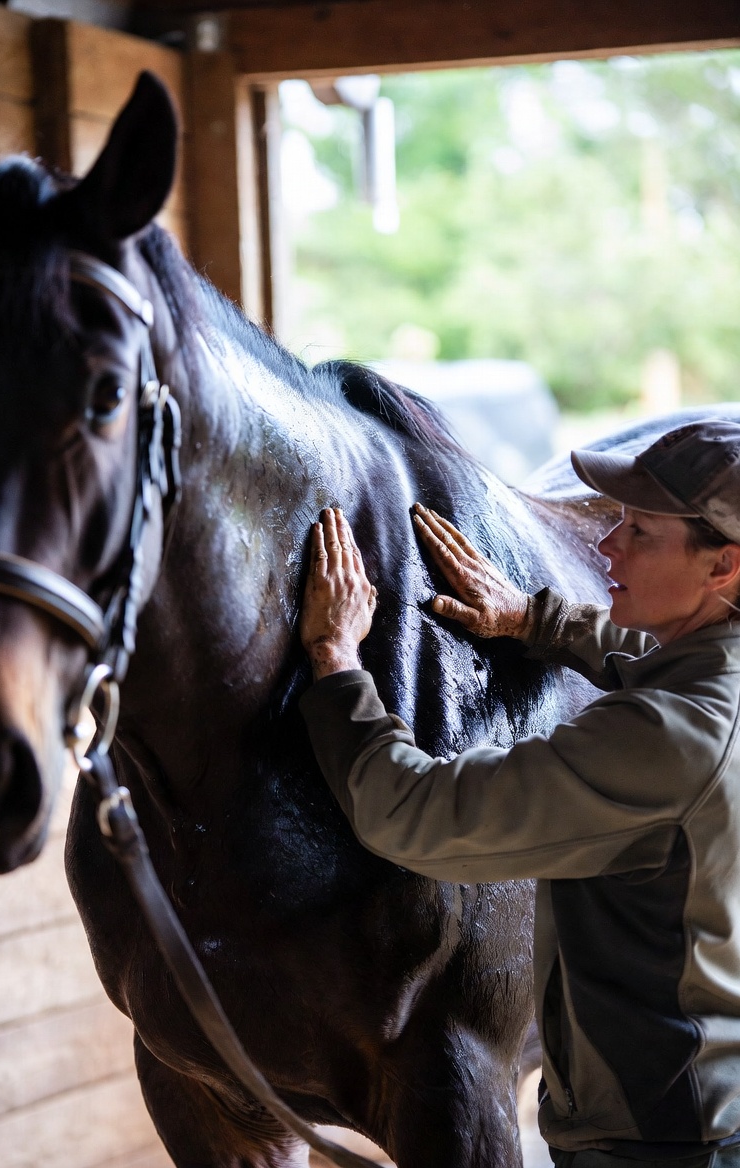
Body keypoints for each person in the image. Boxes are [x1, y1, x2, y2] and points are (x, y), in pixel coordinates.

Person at [298, 420, 740, 1168]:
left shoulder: (670, 737)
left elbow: (414, 812)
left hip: (659, 1139)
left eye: (641, 531)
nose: (608, 547)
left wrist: (337, 661)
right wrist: (536, 619)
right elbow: (663, 663)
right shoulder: (710, 677)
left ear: (724, 566)